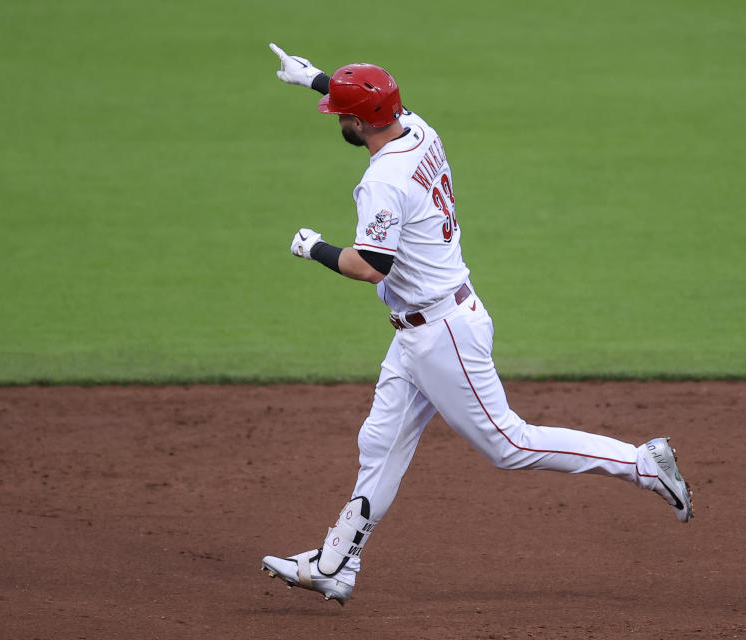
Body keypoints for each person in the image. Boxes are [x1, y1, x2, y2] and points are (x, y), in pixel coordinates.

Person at [261, 43, 693, 606]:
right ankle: (336, 564)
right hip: (422, 330)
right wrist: (315, 79)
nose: (337, 121)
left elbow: (369, 266)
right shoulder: (419, 130)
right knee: (380, 443)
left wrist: (312, 247)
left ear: (359, 122)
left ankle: (643, 463)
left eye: (341, 113)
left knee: (508, 443)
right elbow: (379, 105)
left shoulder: (383, 183)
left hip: (443, 333)